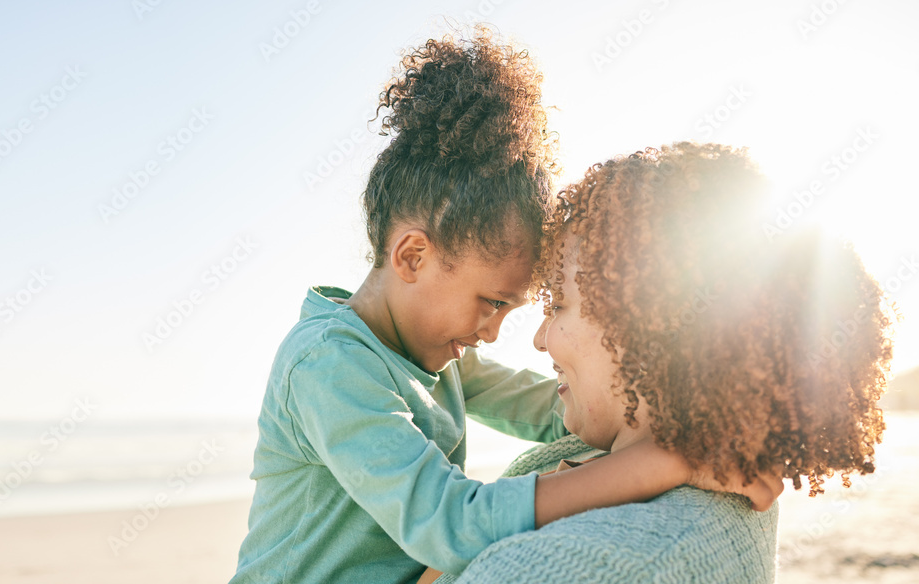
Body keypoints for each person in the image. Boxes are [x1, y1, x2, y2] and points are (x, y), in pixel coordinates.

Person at [228, 32, 780, 584]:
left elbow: (551, 409)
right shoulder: (328, 366)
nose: (493, 333)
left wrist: (695, 424)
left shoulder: (429, 355)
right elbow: (448, 523)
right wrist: (667, 463)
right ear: (413, 256)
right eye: (491, 302)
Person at [432, 142, 893, 583]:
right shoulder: (718, 474)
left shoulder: (576, 565)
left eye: (558, 306)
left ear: (646, 328)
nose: (537, 339)